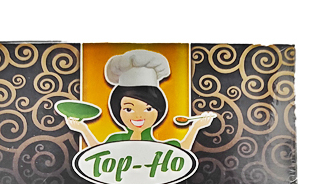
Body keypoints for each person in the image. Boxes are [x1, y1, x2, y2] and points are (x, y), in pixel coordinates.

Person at [65, 49, 216, 151]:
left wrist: (196, 127)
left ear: (159, 109)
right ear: (117, 109)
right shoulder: (115, 139)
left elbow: (180, 152)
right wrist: (83, 129)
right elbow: (98, 153)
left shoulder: (162, 147)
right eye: (128, 109)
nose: (138, 116)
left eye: (148, 108)